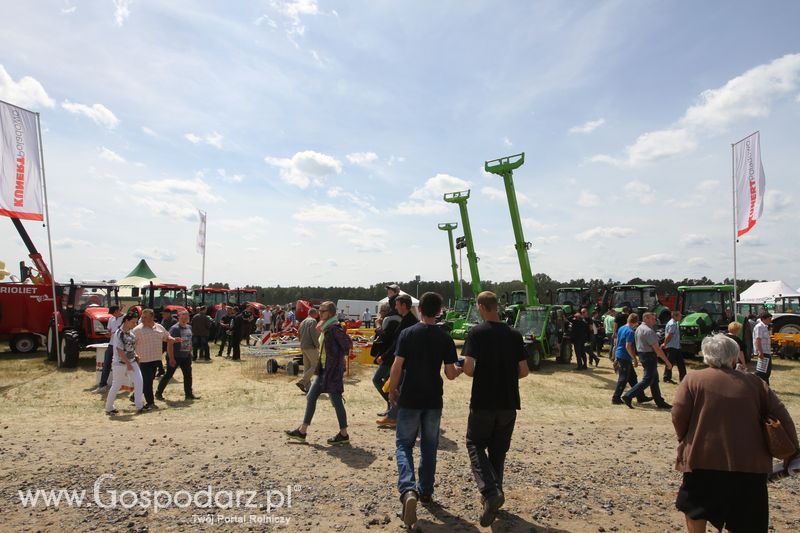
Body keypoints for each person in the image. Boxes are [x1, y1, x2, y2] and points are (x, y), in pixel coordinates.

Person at [672, 334, 799, 533]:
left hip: (703, 458)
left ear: (706, 356)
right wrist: (793, 451)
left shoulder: (693, 379)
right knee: (745, 516)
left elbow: (678, 413)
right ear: (733, 358)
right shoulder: (755, 383)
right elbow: (782, 415)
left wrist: (686, 439)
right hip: (749, 463)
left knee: (695, 508)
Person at [389, 292, 461, 527]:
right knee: (430, 446)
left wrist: (392, 391)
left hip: (410, 397)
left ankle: (408, 490)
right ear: (440, 311)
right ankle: (426, 491)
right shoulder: (445, 338)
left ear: (420, 310)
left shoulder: (408, 334)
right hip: (433, 400)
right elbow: (450, 374)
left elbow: (397, 365)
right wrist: (460, 368)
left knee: (404, 445)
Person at [462, 291, 529, 526]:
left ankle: (490, 493)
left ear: (481, 307)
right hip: (509, 402)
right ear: (497, 306)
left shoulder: (477, 333)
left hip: (483, 401)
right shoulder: (514, 335)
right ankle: (495, 497)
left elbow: (469, 369)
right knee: (498, 451)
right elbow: (524, 371)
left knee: (475, 444)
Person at [285, 301, 352, 445]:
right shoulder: (325, 327)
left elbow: (347, 344)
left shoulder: (334, 329)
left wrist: (336, 359)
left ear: (331, 312)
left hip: (331, 371)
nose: (320, 313)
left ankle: (344, 434)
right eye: (319, 310)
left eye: (323, 311)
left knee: (336, 401)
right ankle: (302, 431)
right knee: (311, 397)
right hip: (323, 371)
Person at [376, 294, 419, 428]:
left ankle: (393, 415)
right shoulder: (407, 319)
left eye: (397, 304)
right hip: (402, 359)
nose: (395, 307)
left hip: (404, 360)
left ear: (404, 306)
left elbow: (397, 343)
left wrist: (384, 356)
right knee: (399, 388)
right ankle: (393, 415)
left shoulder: (409, 321)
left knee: (398, 388)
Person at [623, 312, 672, 409]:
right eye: (653, 319)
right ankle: (628, 395)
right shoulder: (648, 331)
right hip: (649, 356)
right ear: (646, 319)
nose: (655, 320)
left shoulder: (639, 329)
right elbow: (657, 349)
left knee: (654, 380)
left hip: (643, 355)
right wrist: (667, 362)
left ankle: (659, 402)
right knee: (648, 380)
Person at [132, 308, 177, 410]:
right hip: (143, 360)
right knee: (148, 382)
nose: (142, 319)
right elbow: (130, 345)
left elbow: (167, 337)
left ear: (152, 317)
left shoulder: (159, 327)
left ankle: (134, 396)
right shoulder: (137, 330)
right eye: (142, 317)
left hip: (155, 359)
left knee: (148, 380)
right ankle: (150, 403)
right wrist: (134, 355)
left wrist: (173, 339)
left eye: (145, 317)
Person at [105, 313, 144, 415]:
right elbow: (119, 350)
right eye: (133, 322)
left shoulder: (130, 333)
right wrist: (128, 363)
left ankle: (139, 406)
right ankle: (109, 408)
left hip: (131, 361)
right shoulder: (119, 333)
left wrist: (135, 355)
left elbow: (130, 347)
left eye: (135, 322)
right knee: (117, 385)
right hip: (120, 363)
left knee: (139, 381)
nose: (135, 324)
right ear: (126, 321)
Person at [156, 310, 199, 401]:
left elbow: (189, 340)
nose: (184, 319)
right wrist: (171, 358)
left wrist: (190, 351)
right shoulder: (175, 329)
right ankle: (158, 393)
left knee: (188, 375)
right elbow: (170, 344)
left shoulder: (189, 327)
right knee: (168, 375)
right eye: (182, 317)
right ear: (178, 318)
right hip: (175, 356)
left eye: (186, 317)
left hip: (186, 356)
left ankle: (189, 394)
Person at [611, 313, 652, 406]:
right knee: (623, 378)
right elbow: (628, 346)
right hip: (625, 356)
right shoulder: (630, 331)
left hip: (621, 355)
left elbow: (617, 341)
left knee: (633, 378)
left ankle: (640, 396)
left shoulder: (621, 328)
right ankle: (616, 398)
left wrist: (615, 353)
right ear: (636, 322)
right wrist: (635, 358)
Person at [95, 304, 124, 393]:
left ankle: (122, 385)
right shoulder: (111, 319)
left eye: (113, 313)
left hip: (121, 345)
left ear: (117, 311)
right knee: (106, 364)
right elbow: (109, 330)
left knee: (121, 365)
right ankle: (102, 385)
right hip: (111, 344)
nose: (112, 315)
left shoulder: (125, 318)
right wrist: (108, 333)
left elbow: (125, 330)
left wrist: (113, 333)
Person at [296, 308, 320, 393]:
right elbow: (313, 334)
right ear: (314, 314)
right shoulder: (313, 321)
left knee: (307, 367)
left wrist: (302, 343)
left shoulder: (303, 322)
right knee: (316, 365)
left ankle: (308, 388)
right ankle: (302, 381)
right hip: (310, 346)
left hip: (303, 346)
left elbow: (298, 334)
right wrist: (317, 345)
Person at [662, 311, 685, 384]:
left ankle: (683, 378)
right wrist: (664, 344)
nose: (681, 317)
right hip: (672, 346)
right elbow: (669, 336)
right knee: (670, 363)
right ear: (675, 316)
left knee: (680, 363)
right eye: (680, 316)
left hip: (676, 346)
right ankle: (667, 378)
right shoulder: (673, 324)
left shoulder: (674, 323)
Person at [753, 312, 773, 384]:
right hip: (763, 352)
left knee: (767, 371)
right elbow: (757, 340)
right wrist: (760, 352)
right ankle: (757, 385)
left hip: (766, 351)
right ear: (763, 319)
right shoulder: (759, 327)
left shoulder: (765, 327)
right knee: (761, 372)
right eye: (769, 319)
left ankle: (765, 386)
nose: (771, 320)